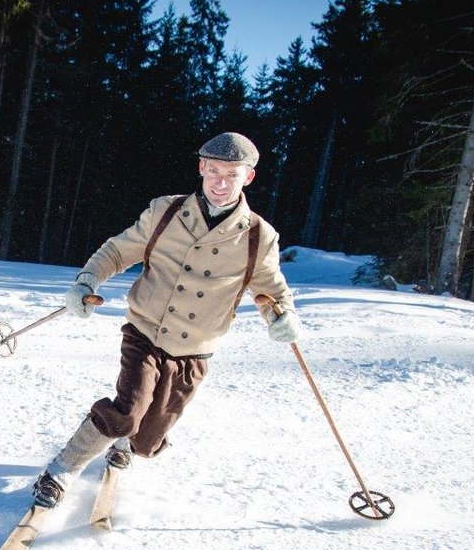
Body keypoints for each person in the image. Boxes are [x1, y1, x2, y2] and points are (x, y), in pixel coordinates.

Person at [32, 131, 302, 508]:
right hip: (144, 331)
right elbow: (118, 250)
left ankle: (126, 443)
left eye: (232, 174)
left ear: (248, 177)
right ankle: (62, 469)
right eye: (214, 172)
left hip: (194, 350)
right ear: (202, 168)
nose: (221, 183)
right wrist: (87, 280)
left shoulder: (259, 236)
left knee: (147, 441)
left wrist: (282, 316)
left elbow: (272, 290)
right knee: (127, 411)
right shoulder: (166, 212)